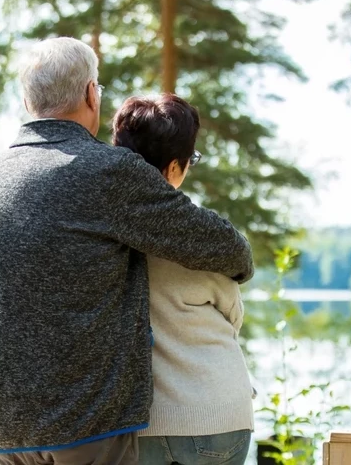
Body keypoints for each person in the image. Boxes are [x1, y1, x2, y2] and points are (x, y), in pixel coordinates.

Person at [0, 37, 255, 465]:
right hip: (83, 428)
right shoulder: (106, 171)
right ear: (90, 92)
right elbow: (224, 248)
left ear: (28, 99)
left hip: (9, 427)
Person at [111, 95, 255, 465]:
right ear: (175, 165)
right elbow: (232, 315)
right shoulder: (201, 237)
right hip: (219, 413)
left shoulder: (100, 233)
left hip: (137, 423)